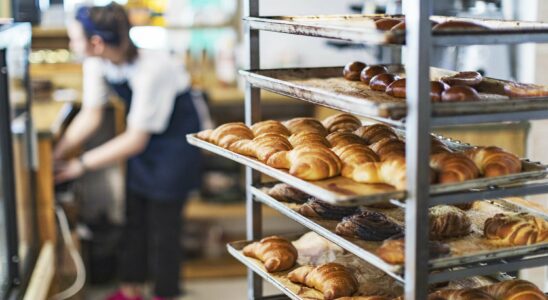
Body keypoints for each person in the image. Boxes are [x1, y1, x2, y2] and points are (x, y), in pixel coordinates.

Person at [54, 3, 205, 300]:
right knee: (134, 219)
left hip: (174, 145)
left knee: (165, 230)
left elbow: (135, 139)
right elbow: (91, 114)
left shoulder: (153, 68)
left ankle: (165, 293)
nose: (71, 44)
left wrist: (80, 164)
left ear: (95, 42)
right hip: (146, 142)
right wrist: (59, 154)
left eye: (74, 38)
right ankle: (131, 289)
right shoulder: (97, 61)